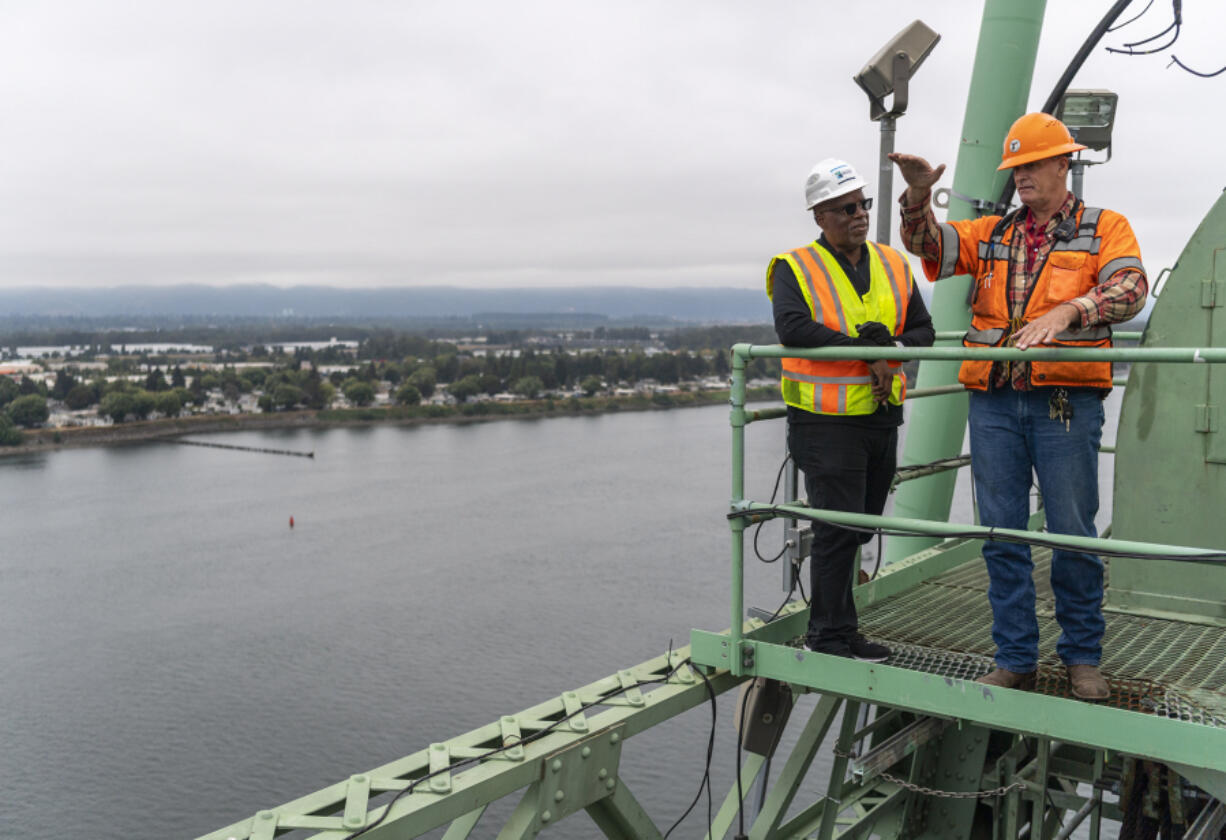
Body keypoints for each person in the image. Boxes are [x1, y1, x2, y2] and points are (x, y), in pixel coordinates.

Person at [890, 113, 1148, 700]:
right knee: (1001, 533)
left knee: (1072, 533)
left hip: (1064, 402)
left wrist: (1070, 311)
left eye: (1031, 164)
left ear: (1064, 163)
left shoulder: (1105, 227)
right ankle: (1015, 658)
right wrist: (919, 197)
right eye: (1015, 168)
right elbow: (930, 245)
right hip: (996, 404)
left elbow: (1131, 287)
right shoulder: (993, 233)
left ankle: (1082, 658)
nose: (1021, 177)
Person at [768, 158, 935, 661]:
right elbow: (794, 329)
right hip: (825, 424)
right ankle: (829, 636)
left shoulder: (892, 263)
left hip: (880, 419)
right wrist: (868, 352)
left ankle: (842, 628)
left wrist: (891, 350)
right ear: (820, 216)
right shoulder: (794, 266)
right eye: (845, 208)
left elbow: (923, 330)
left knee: (860, 527)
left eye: (863, 204)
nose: (859, 215)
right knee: (838, 532)